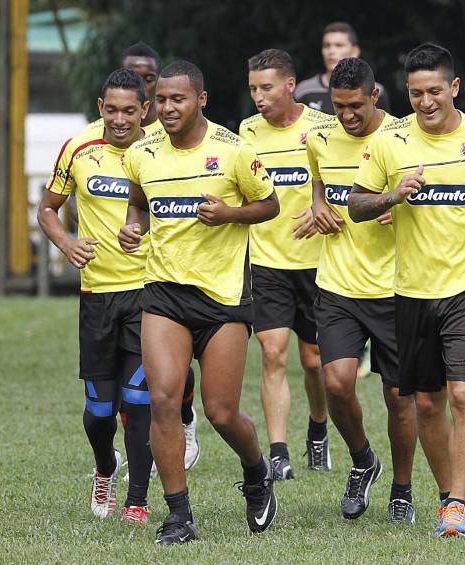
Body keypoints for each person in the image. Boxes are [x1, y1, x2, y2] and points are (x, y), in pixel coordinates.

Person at [349, 43, 465, 537]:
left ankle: (457, 504)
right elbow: (356, 203)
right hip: (411, 291)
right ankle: (448, 494)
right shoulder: (389, 143)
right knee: (426, 403)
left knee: (463, 394)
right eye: (415, 94)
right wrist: (391, 194)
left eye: (434, 92)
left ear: (454, 87)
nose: (425, 102)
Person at [119, 60, 279, 545]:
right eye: (161, 100)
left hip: (223, 297)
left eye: (178, 99)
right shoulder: (142, 153)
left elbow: (269, 204)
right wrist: (134, 226)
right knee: (163, 400)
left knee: (222, 411)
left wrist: (230, 213)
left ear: (200, 100)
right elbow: (139, 201)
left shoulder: (234, 151)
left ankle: (257, 472)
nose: (167, 108)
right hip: (164, 293)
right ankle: (179, 516)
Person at [39, 68, 165, 524]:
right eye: (111, 110)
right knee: (98, 410)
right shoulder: (78, 148)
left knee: (138, 400)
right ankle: (105, 467)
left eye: (129, 110)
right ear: (100, 108)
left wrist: (146, 231)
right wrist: (68, 243)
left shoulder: (161, 150)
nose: (119, 119)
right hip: (97, 294)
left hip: (151, 292)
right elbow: (48, 209)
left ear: (144, 110)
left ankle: (136, 501)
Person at [305, 56, 418, 525]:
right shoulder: (319, 137)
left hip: (397, 288)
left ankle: (402, 490)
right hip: (338, 285)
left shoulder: (405, 137)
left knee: (399, 398)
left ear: (375, 97)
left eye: (355, 106)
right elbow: (319, 181)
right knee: (336, 382)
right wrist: (318, 206)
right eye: (338, 107)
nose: (347, 116)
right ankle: (362, 460)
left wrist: (398, 208)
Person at [239, 49, 329, 479]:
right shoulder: (247, 131)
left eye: (267, 87)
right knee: (272, 354)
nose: (258, 96)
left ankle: (318, 428)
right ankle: (278, 452)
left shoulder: (322, 127)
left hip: (317, 264)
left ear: (290, 85)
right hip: (266, 262)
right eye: (254, 88)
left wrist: (322, 206)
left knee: (314, 362)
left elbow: (340, 180)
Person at [121, 41, 201, 473]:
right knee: (126, 390)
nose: (143, 88)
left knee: (169, 380)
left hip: (183, 282)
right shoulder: (107, 142)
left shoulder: (182, 136)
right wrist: (132, 225)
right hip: (114, 281)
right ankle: (154, 445)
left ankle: (183, 420)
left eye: (148, 79)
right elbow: (135, 202)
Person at [295, 22, 391, 115]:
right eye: (326, 46)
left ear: (355, 51)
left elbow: (385, 128)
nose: (331, 51)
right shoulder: (304, 90)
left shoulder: (374, 90)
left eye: (339, 45)